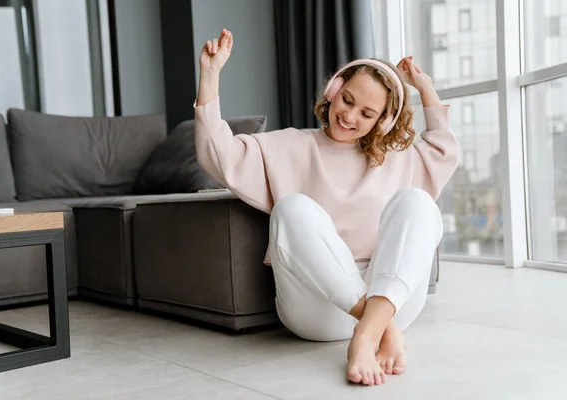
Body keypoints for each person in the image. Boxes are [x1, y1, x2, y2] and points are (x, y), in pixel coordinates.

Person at [194, 29, 459, 386]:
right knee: (292, 208)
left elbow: (445, 151)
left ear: (383, 120)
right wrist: (210, 75)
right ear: (333, 89)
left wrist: (423, 87)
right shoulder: (289, 145)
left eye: (367, 113)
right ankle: (378, 330)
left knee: (418, 202)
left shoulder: (398, 159)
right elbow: (217, 154)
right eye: (347, 99)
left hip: (394, 301)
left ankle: (366, 335)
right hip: (315, 309)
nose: (349, 117)